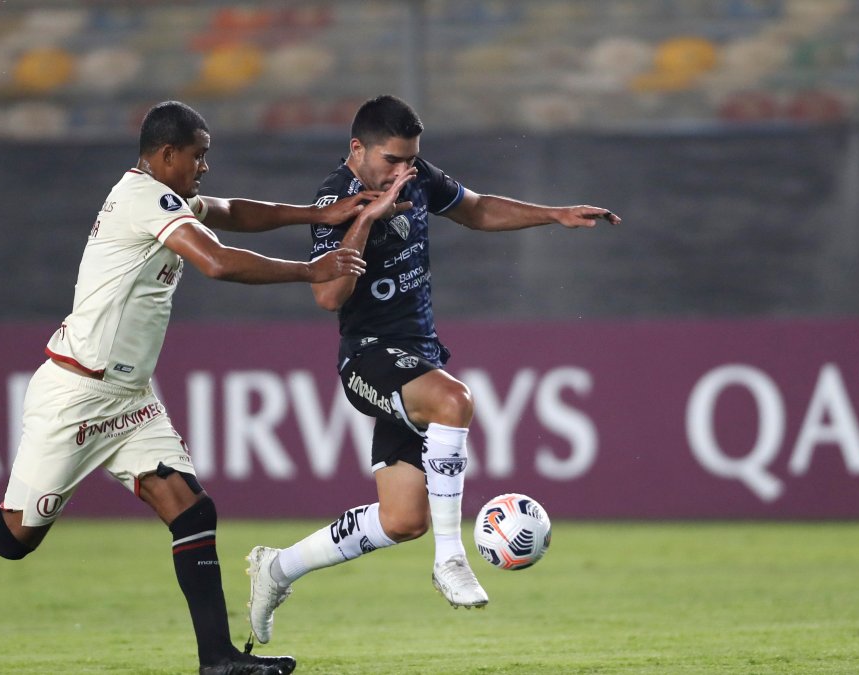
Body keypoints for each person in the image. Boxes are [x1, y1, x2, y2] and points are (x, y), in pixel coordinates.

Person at [0, 100, 408, 675]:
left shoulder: (167, 196)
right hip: (76, 393)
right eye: (198, 156)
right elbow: (214, 261)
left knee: (192, 512)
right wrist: (310, 269)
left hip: (130, 399)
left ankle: (218, 661)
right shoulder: (141, 199)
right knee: (13, 538)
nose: (204, 167)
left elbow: (230, 210)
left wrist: (321, 212)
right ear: (166, 155)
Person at [244, 94, 621, 644]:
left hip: (416, 356)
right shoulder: (336, 198)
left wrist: (553, 215)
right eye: (392, 161)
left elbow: (477, 208)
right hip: (368, 356)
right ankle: (451, 560)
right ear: (358, 150)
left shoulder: (416, 177)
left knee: (402, 520)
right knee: (454, 401)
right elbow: (328, 295)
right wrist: (368, 220)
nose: (404, 170)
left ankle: (277, 569)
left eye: (412, 160)